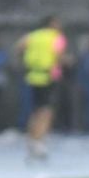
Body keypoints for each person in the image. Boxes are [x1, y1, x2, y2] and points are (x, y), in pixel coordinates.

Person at [16, 15, 68, 160]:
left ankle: (31, 141)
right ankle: (40, 142)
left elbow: (19, 47)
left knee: (36, 111)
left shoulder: (32, 36)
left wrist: (25, 61)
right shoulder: (56, 37)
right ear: (51, 24)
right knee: (46, 112)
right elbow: (60, 57)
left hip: (32, 76)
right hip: (48, 76)